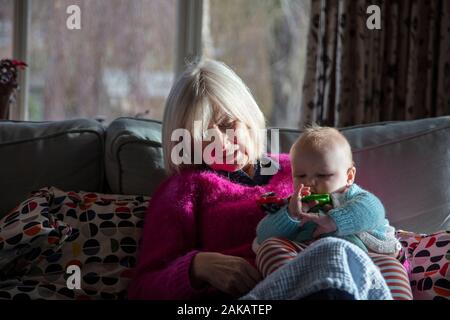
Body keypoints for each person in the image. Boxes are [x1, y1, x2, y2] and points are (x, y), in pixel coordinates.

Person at [127, 59, 394, 300]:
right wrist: (197, 267)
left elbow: (364, 217)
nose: (220, 143)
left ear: (248, 118)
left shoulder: (301, 166)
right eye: (202, 134)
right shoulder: (182, 190)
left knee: (336, 255)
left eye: (227, 124)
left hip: (332, 277)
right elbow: (142, 290)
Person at [253, 126, 413, 300]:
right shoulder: (294, 203)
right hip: (307, 261)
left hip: (362, 258)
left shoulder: (353, 196)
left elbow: (375, 211)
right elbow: (262, 234)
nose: (310, 183)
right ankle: (292, 289)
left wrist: (334, 221)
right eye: (300, 176)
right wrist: (291, 214)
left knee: (393, 267)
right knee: (270, 247)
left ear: (349, 176)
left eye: (323, 175)